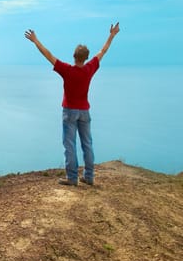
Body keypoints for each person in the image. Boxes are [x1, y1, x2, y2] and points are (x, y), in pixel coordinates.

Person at [24, 23, 120, 186]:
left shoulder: (67, 70)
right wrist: (112, 35)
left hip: (69, 112)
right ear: (86, 57)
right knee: (87, 144)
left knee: (69, 145)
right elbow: (103, 51)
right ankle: (89, 177)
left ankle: (72, 178)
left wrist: (35, 41)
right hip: (84, 112)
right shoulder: (90, 68)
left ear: (74, 56)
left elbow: (48, 55)